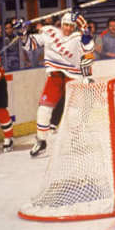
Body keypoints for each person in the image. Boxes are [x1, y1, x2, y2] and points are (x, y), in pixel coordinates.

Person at [19, 12, 94, 157]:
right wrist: (22, 32)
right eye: (66, 25)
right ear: (60, 24)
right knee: (43, 109)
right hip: (55, 76)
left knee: (74, 113)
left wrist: (85, 29)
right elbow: (29, 45)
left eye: (71, 26)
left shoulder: (78, 37)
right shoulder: (50, 32)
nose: (68, 28)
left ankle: (76, 141)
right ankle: (41, 141)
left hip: (74, 76)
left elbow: (89, 49)